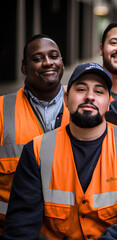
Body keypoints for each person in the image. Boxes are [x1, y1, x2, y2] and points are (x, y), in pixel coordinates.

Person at [2, 62, 117, 239]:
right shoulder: (36, 150)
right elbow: (21, 226)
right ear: (66, 99)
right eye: (81, 89)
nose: (90, 97)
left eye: (99, 91)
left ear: (108, 104)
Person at [0, 34, 69, 233]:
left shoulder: (84, 107)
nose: (48, 63)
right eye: (38, 58)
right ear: (24, 66)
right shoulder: (2, 111)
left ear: (62, 62)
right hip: (13, 230)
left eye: (54, 56)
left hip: (66, 232)